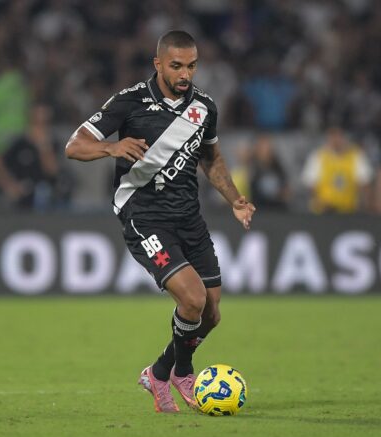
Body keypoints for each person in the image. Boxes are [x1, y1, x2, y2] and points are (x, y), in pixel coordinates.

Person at [65, 30, 255, 413]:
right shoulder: (129, 102)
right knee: (193, 299)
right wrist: (112, 147)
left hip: (189, 217)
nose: (185, 74)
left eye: (192, 65)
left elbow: (211, 160)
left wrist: (235, 199)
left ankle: (159, 371)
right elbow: (74, 145)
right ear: (158, 64)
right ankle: (183, 372)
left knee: (212, 313)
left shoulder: (204, 107)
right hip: (144, 215)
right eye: (177, 66)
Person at [302, 127, 373, 214]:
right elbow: (310, 186)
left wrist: (365, 207)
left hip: (349, 210)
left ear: (344, 138)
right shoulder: (317, 157)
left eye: (339, 137)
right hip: (324, 211)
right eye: (332, 137)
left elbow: (365, 184)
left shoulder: (356, 156)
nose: (336, 141)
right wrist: (319, 203)